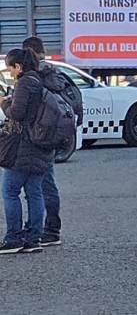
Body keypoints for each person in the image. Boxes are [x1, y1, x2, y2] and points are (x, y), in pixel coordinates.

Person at [22, 36, 83, 247]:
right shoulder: (55, 72)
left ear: (29, 52)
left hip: (39, 136)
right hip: (54, 135)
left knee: (38, 187)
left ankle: (43, 231)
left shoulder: (37, 75)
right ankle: (50, 229)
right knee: (47, 184)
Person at [0, 49, 55, 254]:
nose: (10, 72)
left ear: (19, 66)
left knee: (10, 191)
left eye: (10, 68)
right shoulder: (41, 81)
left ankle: (13, 238)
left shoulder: (24, 83)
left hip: (23, 146)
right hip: (41, 143)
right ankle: (34, 239)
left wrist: (4, 103)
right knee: (34, 192)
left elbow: (17, 113)